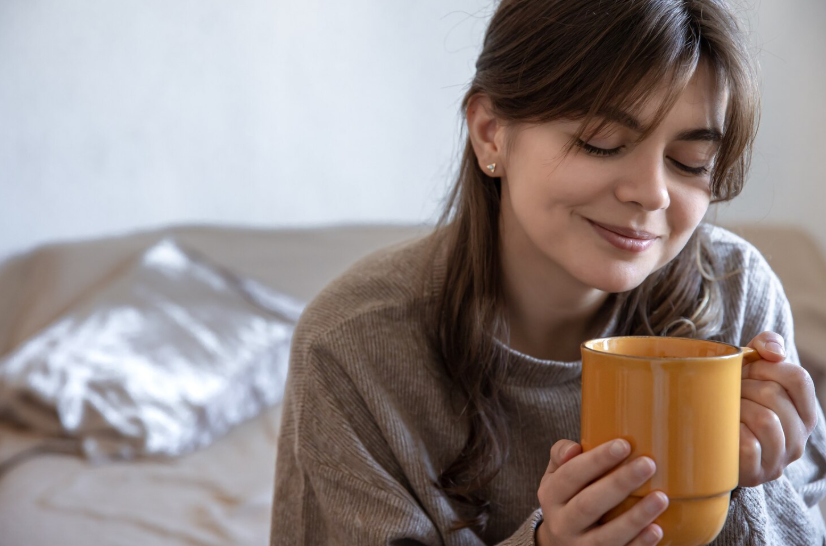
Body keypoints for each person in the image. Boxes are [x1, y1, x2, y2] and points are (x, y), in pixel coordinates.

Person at [270, 0, 826, 544]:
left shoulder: (736, 296)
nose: (653, 192)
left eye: (690, 163)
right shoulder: (350, 346)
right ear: (491, 133)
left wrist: (750, 485)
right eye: (602, 143)